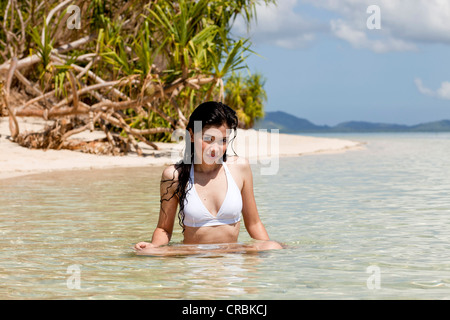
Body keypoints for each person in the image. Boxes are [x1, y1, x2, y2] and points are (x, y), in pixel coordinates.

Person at [134, 101, 282, 255]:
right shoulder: (174, 175)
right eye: (208, 139)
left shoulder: (240, 168)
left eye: (223, 141)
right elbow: (164, 228)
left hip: (231, 255)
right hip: (193, 255)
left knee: (273, 246)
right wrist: (154, 246)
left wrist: (269, 253)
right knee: (145, 252)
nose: (215, 149)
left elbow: (254, 224)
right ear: (191, 135)